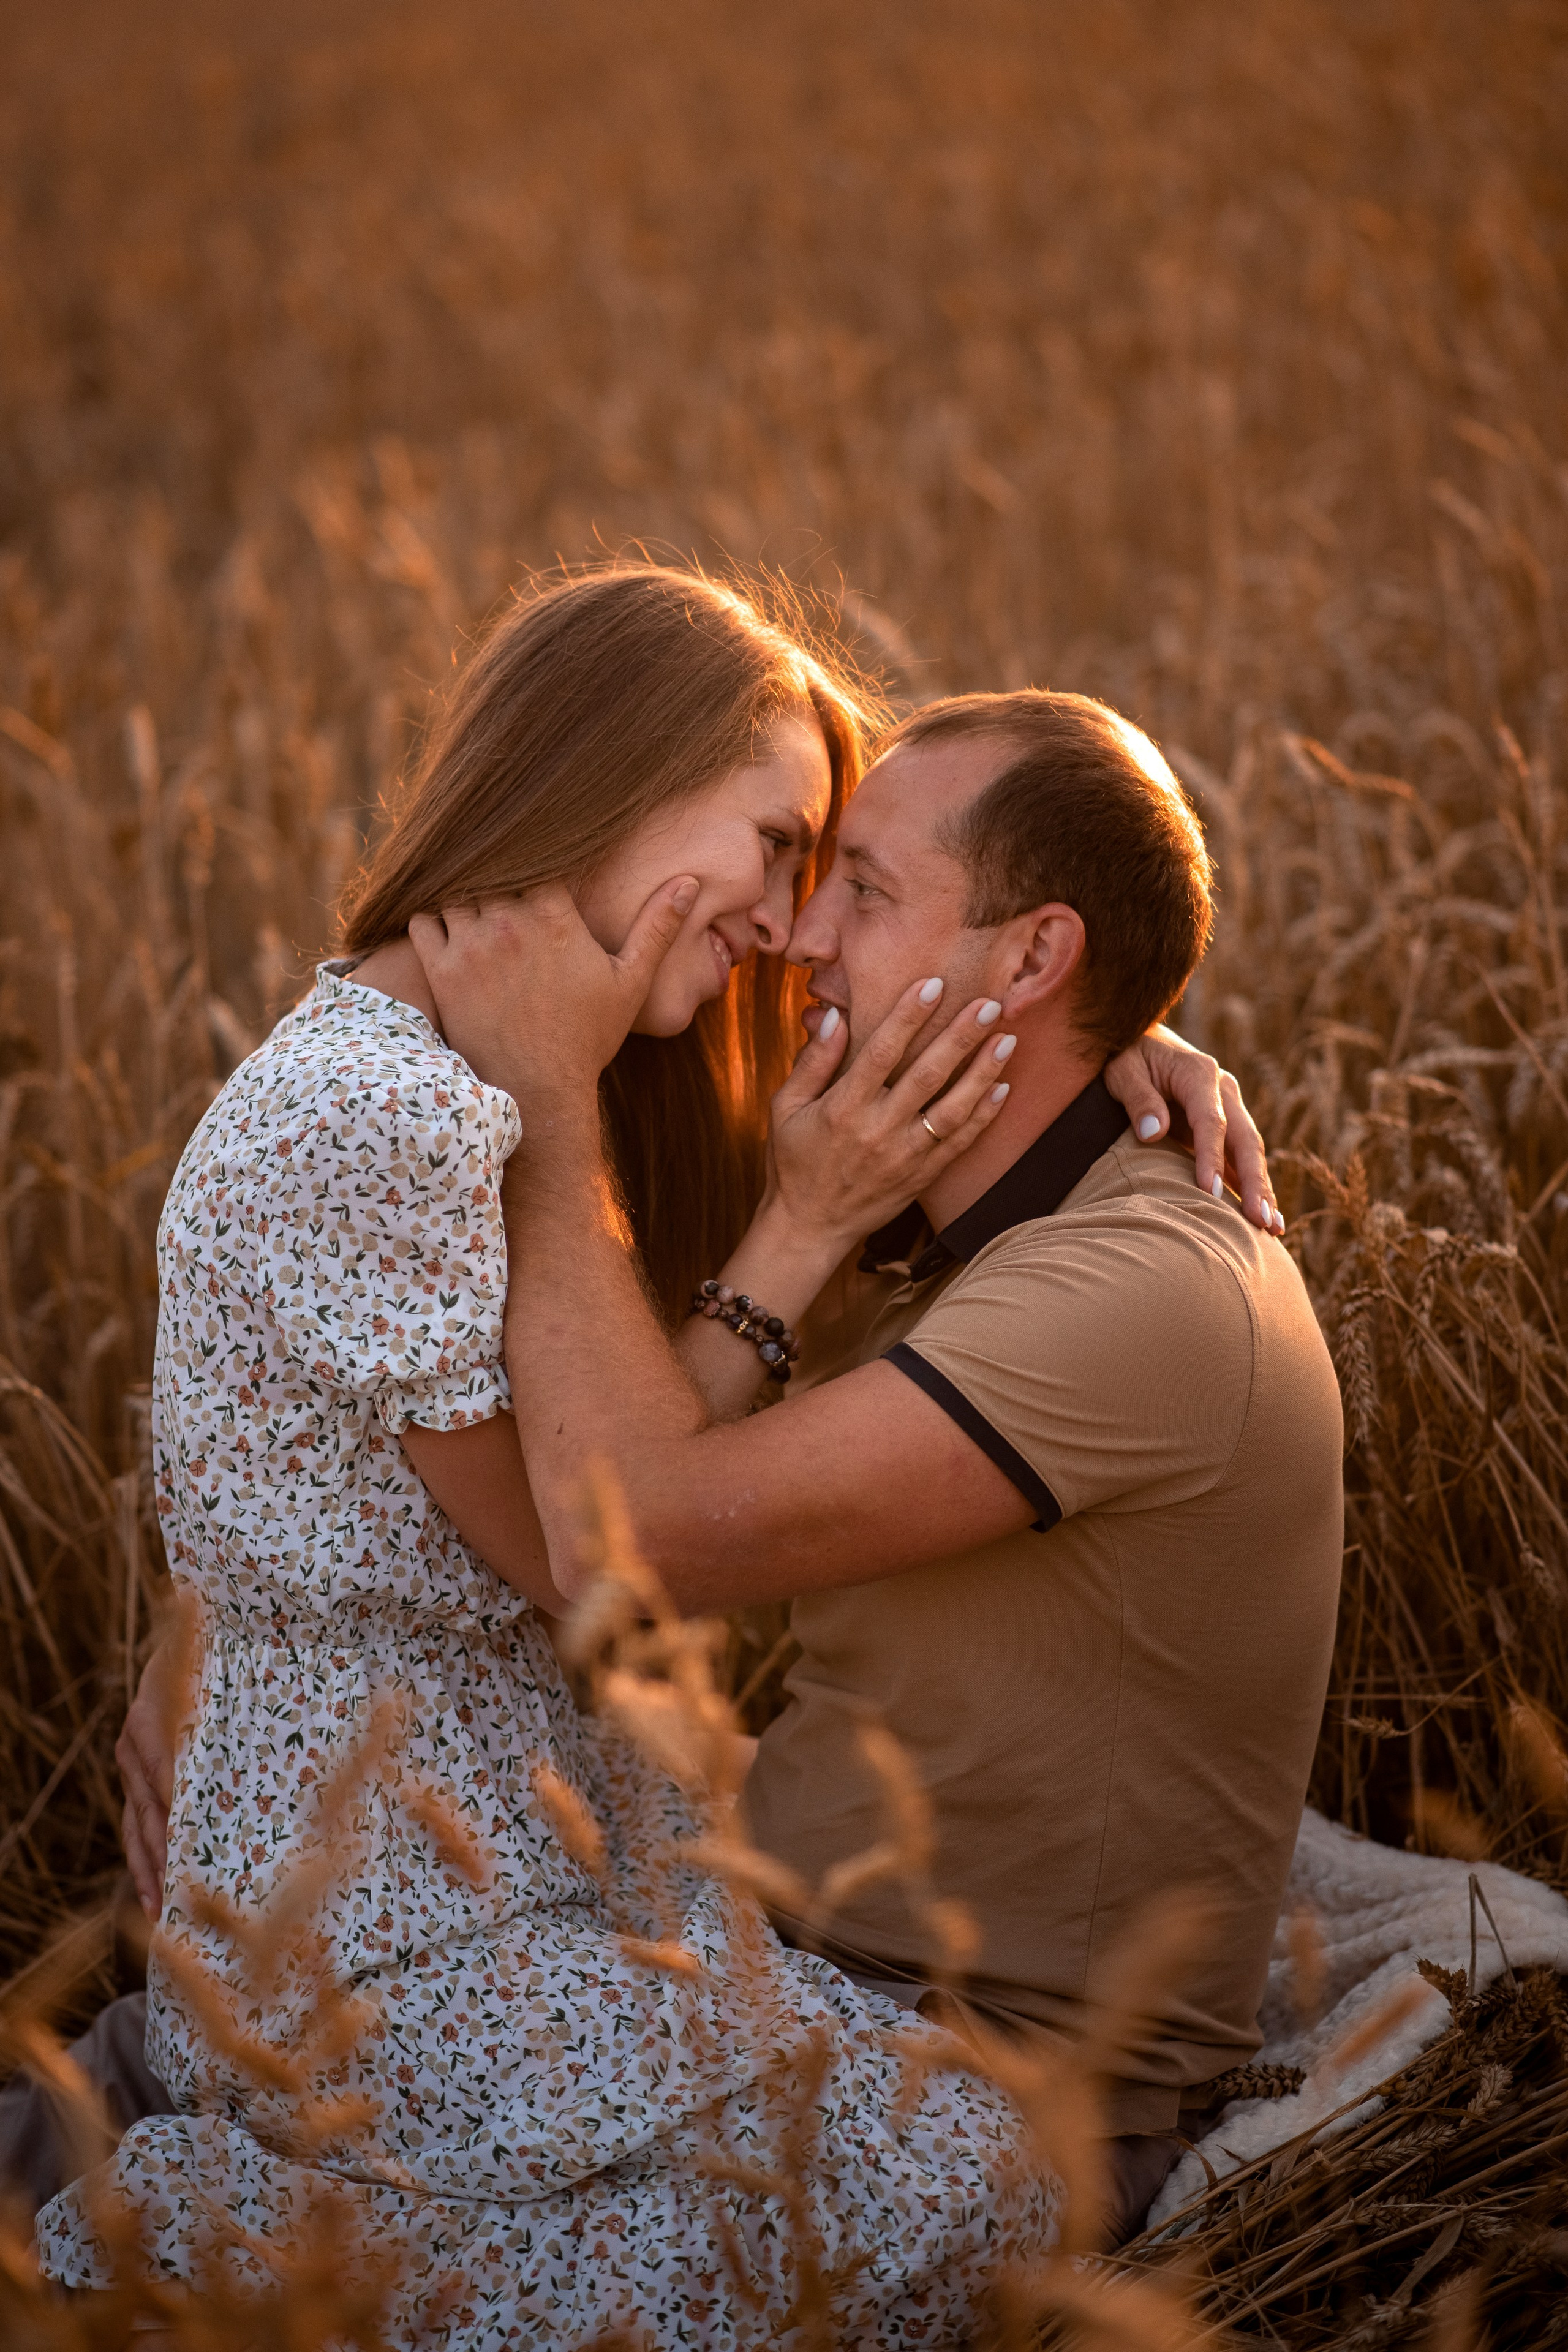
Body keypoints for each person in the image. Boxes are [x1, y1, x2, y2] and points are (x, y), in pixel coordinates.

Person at [28, 568, 1259, 2341]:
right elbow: (584, 1557)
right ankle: (130, 2259)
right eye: (776, 846)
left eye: (827, 876)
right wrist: (776, 1232)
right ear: (616, 778)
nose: (787, 915)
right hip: (396, 1910)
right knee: (965, 2181)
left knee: (936, 2164)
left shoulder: (487, 1072)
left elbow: (599, 1460)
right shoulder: (388, 1114)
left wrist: (1100, 1031)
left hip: (537, 1842)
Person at [391, 683, 1346, 2230]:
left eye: (865, 889)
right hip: (793, 1978)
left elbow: (633, 1543)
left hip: (966, 2095)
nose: (799, 935)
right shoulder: (963, 1203)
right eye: (810, 872)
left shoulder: (1137, 1293)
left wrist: (546, 1105)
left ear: (1035, 957)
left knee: (228, 2197)